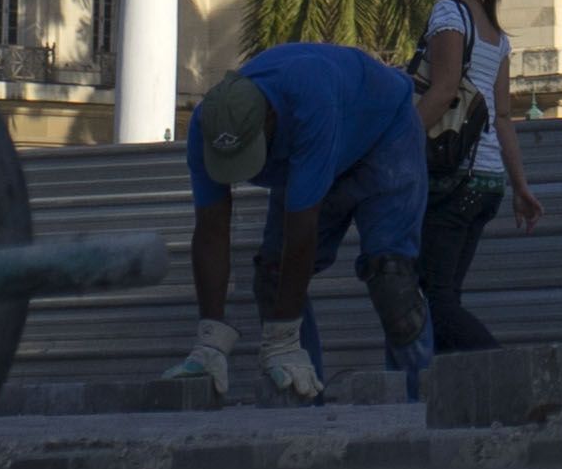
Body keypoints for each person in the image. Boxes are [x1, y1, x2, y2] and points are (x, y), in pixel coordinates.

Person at [166, 40, 434, 401]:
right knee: (272, 277)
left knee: (392, 280)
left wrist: (282, 338)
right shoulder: (207, 126)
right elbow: (211, 231)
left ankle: (420, 403)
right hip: (317, 139)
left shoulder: (309, 100)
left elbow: (301, 230)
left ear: (269, 122)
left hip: (384, 134)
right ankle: (304, 407)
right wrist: (210, 339)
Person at [409, 0, 542, 355]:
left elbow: (443, 90)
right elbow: (502, 117)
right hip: (486, 182)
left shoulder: (449, 13)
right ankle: (458, 384)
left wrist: (397, 142)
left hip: (453, 180)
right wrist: (520, 187)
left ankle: (503, 371)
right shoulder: (494, 31)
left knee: (432, 299)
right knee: (446, 295)